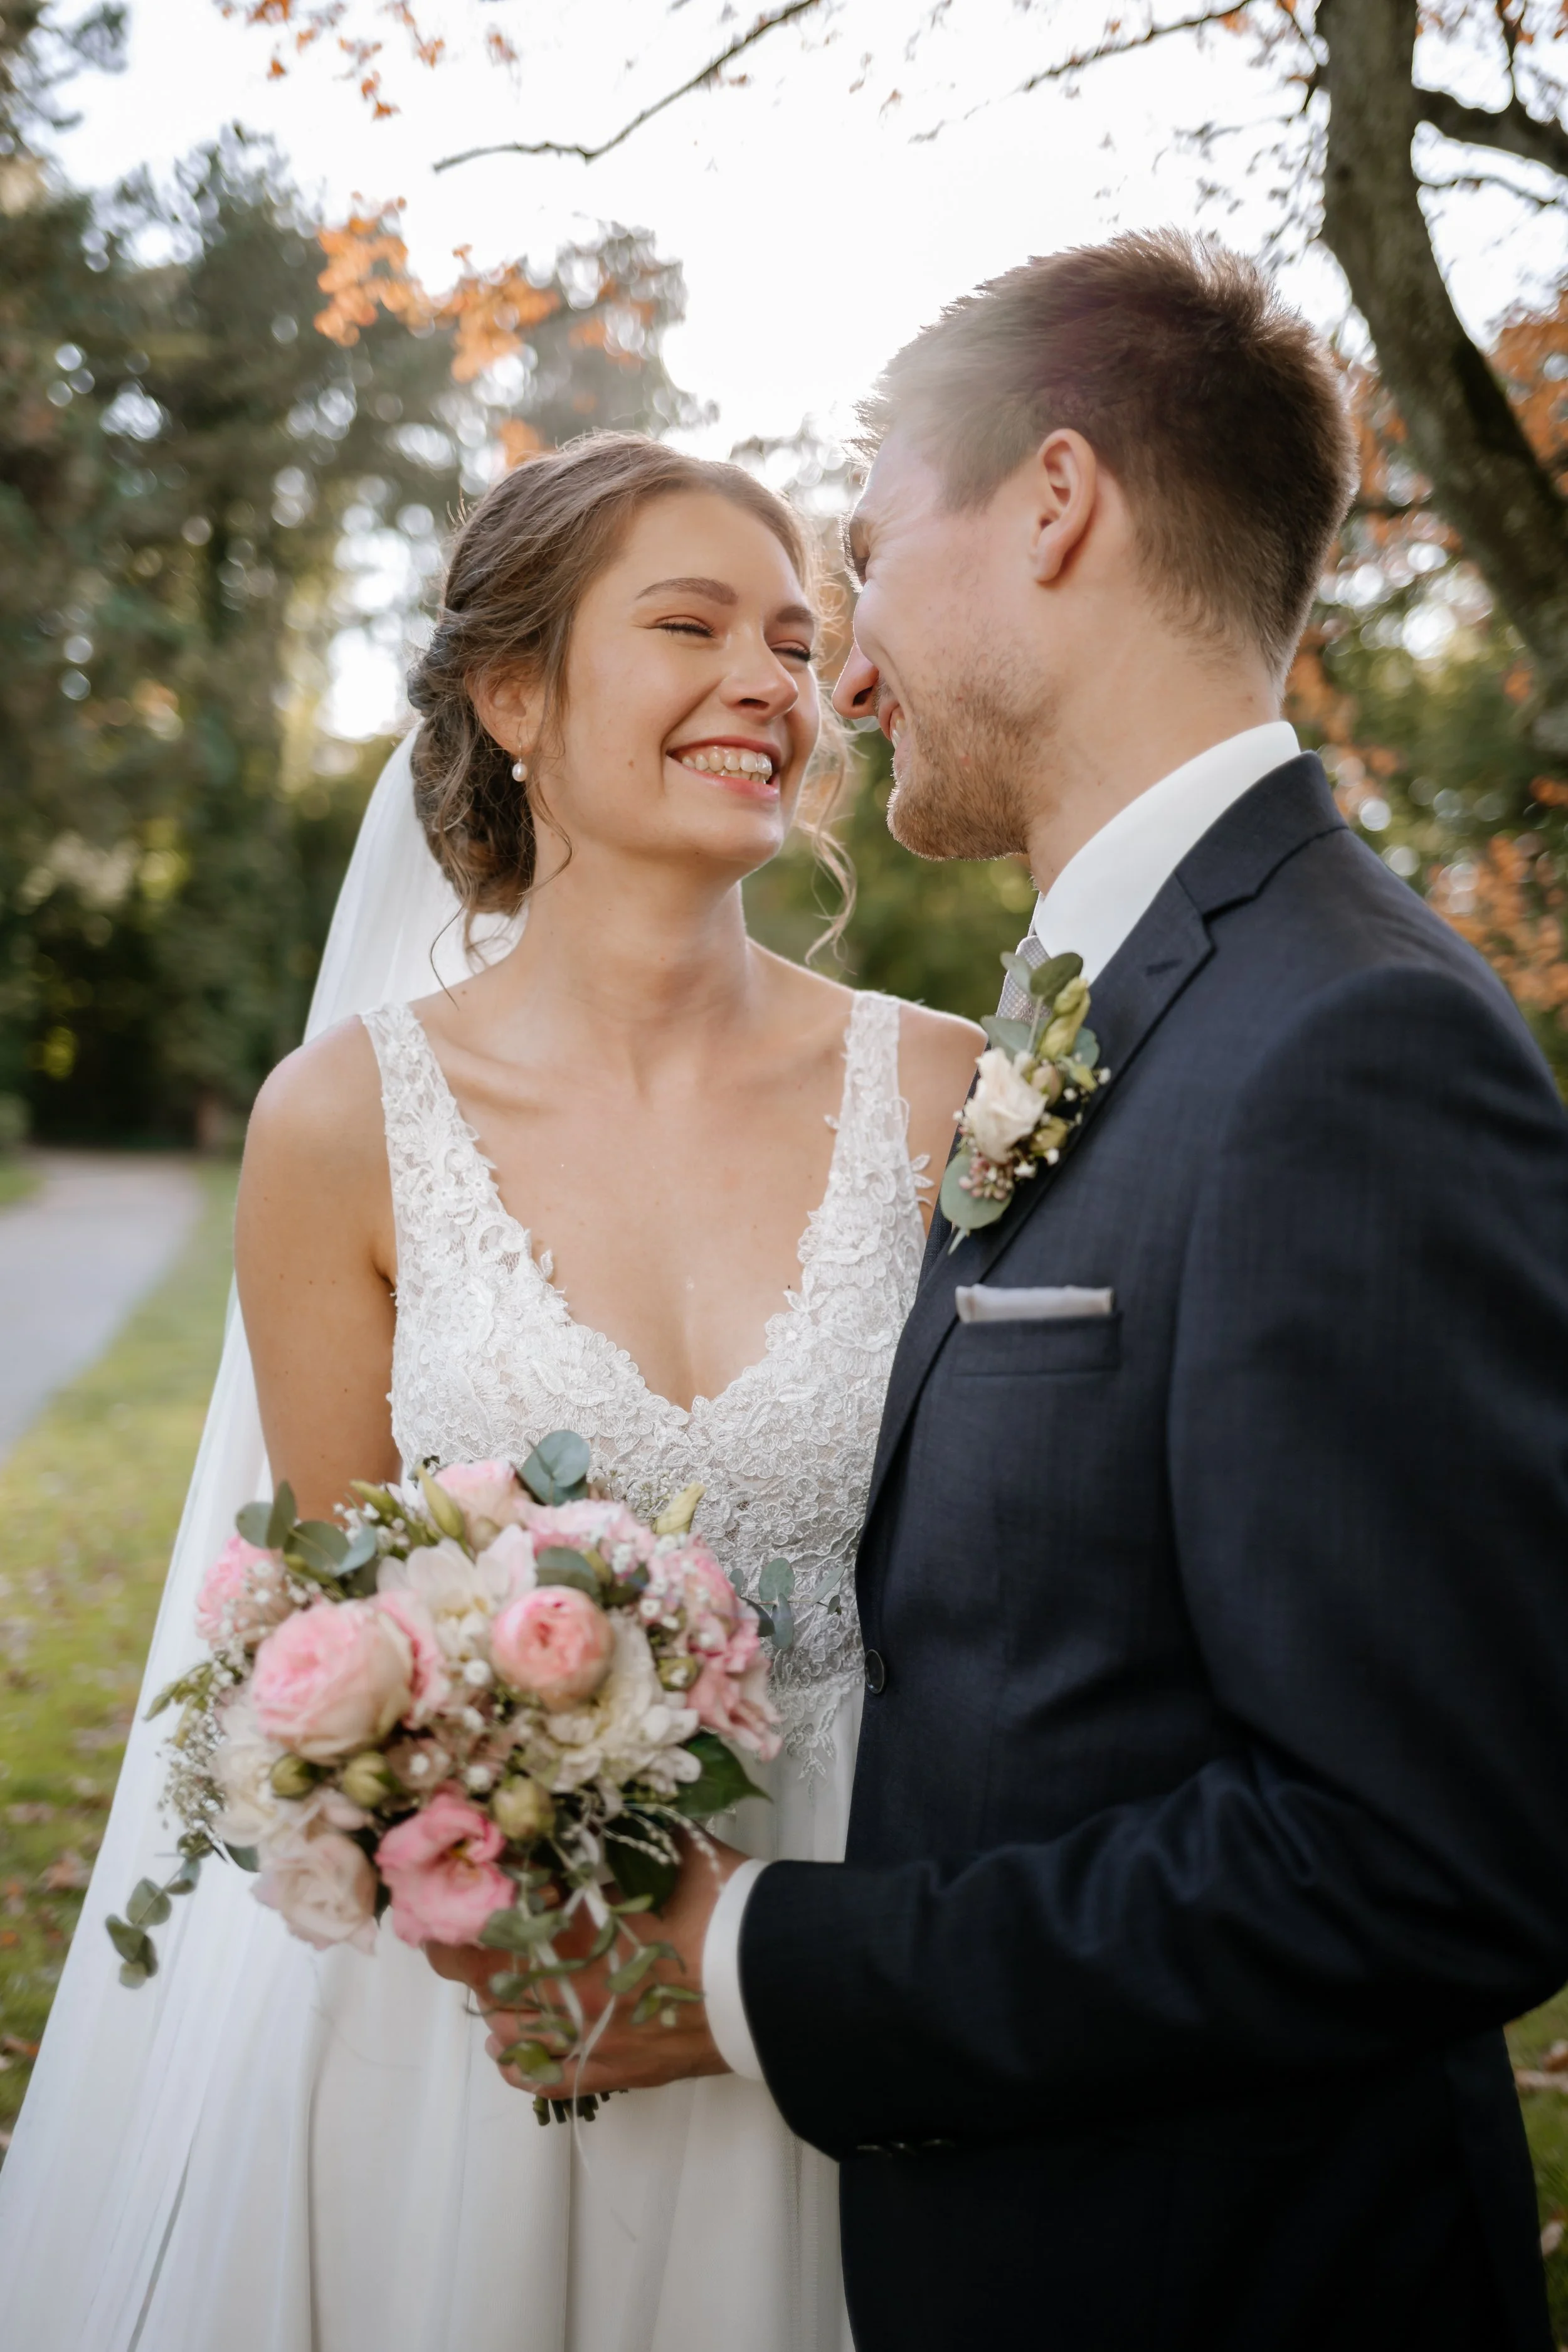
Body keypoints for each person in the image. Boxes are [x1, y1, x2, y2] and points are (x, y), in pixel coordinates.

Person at [445, 237, 1568, 2349]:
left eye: (862, 559)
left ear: (1051, 504)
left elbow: (1431, 1854)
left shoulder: (1346, 1042)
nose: (839, 677)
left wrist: (752, 1966)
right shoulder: (1129, 1004)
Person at [0, 434, 980, 2351]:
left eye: (795, 637)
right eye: (689, 624)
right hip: (483, 2035)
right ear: (511, 693)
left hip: (857, 1970)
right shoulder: (340, 1124)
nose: (769, 681)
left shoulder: (951, 1096)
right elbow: (339, 1625)